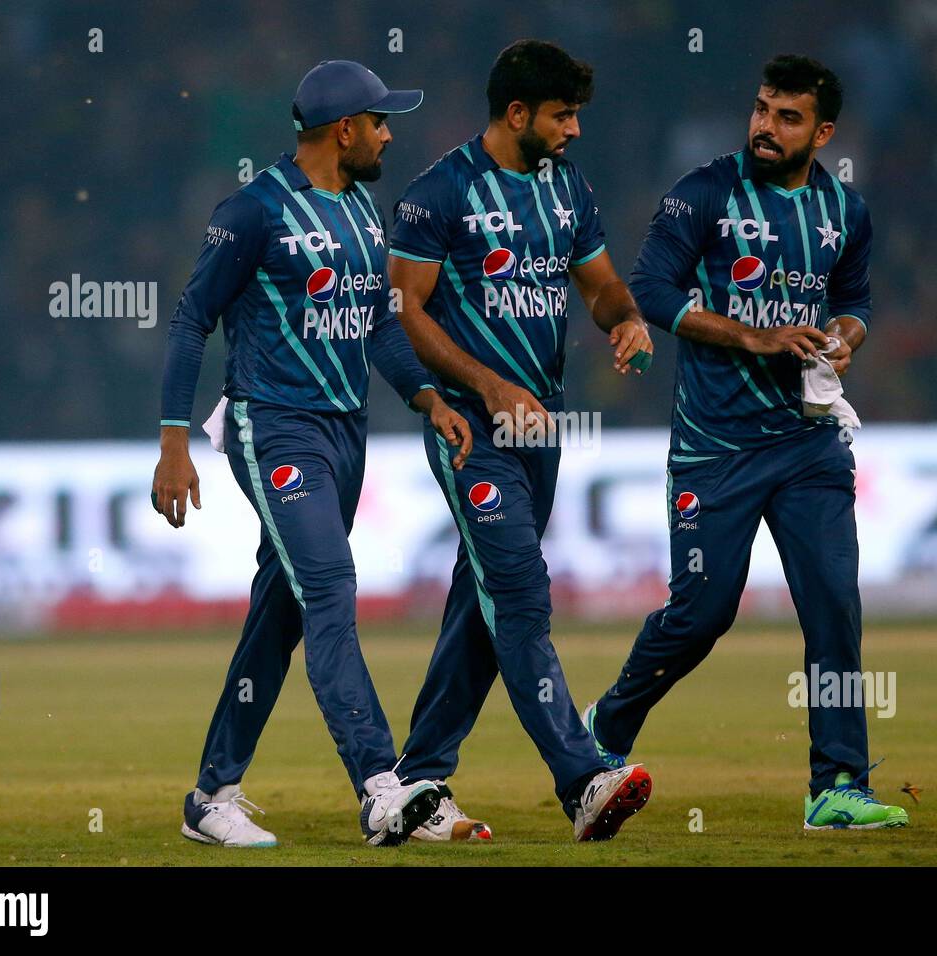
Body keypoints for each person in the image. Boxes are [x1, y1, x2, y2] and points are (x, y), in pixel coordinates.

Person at [583, 54, 909, 830]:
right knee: (700, 616)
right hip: (714, 446)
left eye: (788, 116)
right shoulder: (702, 194)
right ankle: (602, 729)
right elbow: (652, 291)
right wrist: (757, 338)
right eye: (762, 108)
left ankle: (837, 785)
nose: (766, 126)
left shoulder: (845, 210)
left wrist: (844, 336)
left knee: (834, 605)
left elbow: (856, 300)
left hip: (809, 445)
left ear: (823, 131)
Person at [152, 59, 473, 847]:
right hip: (275, 428)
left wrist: (426, 397)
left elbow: (380, 326)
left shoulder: (365, 211)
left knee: (283, 611)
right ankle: (381, 788)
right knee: (330, 587)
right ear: (345, 130)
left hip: (345, 432)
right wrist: (172, 443)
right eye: (381, 123)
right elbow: (193, 318)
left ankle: (212, 796)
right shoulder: (253, 210)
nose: (390, 135)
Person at [387, 39, 655, 842]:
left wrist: (628, 316)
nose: (574, 130)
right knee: (521, 593)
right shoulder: (439, 193)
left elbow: (600, 283)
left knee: (485, 599)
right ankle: (582, 782)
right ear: (517, 114)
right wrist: (489, 385)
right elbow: (405, 309)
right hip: (474, 429)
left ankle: (416, 780)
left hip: (544, 429)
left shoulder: (566, 187)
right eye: (562, 115)